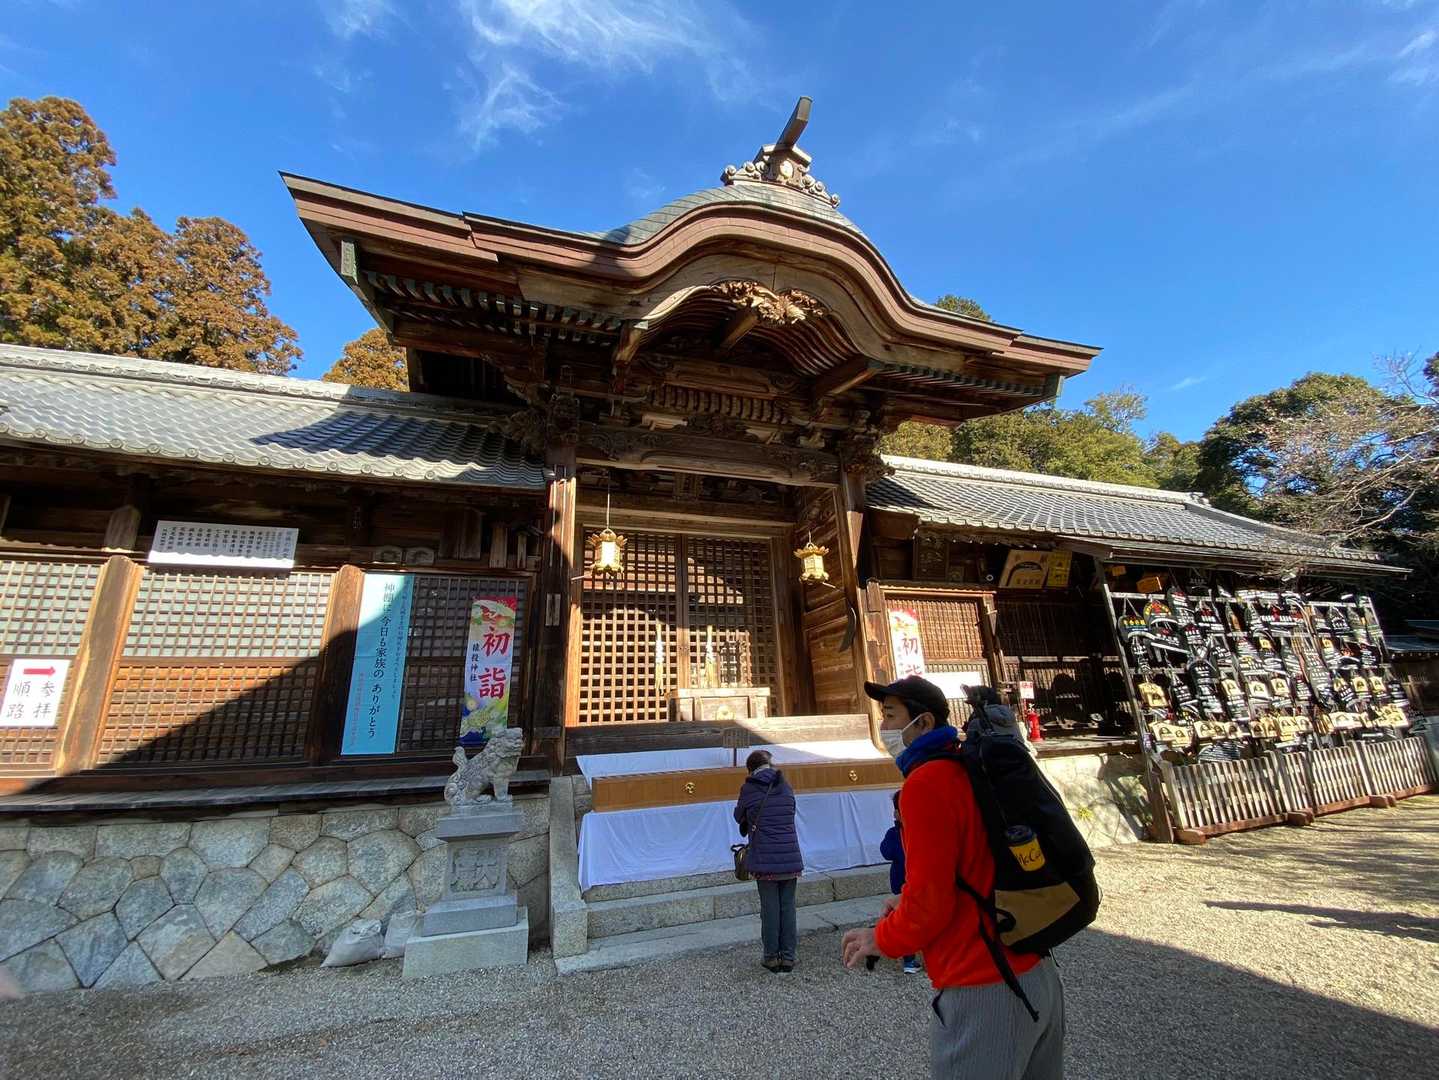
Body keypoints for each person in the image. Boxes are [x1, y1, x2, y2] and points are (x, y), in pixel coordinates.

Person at [842, 675, 1066, 1080]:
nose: (883, 726)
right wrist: (907, 898)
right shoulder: (968, 766)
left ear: (924, 722)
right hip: (1035, 968)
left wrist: (882, 938)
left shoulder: (926, 783)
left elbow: (930, 906)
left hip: (983, 982)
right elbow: (969, 866)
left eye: (890, 715)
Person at [734, 749, 803, 973]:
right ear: (770, 764)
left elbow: (738, 816)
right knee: (788, 908)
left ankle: (771, 957)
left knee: (770, 909)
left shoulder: (749, 788)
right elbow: (790, 812)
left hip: (764, 858)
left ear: (751, 769)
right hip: (789, 856)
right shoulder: (785, 785)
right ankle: (789, 957)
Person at [879, 790, 920, 974]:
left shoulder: (894, 834)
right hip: (914, 882)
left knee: (907, 920)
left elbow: (886, 852)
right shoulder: (920, 831)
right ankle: (913, 958)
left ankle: (909, 959)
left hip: (900, 881)